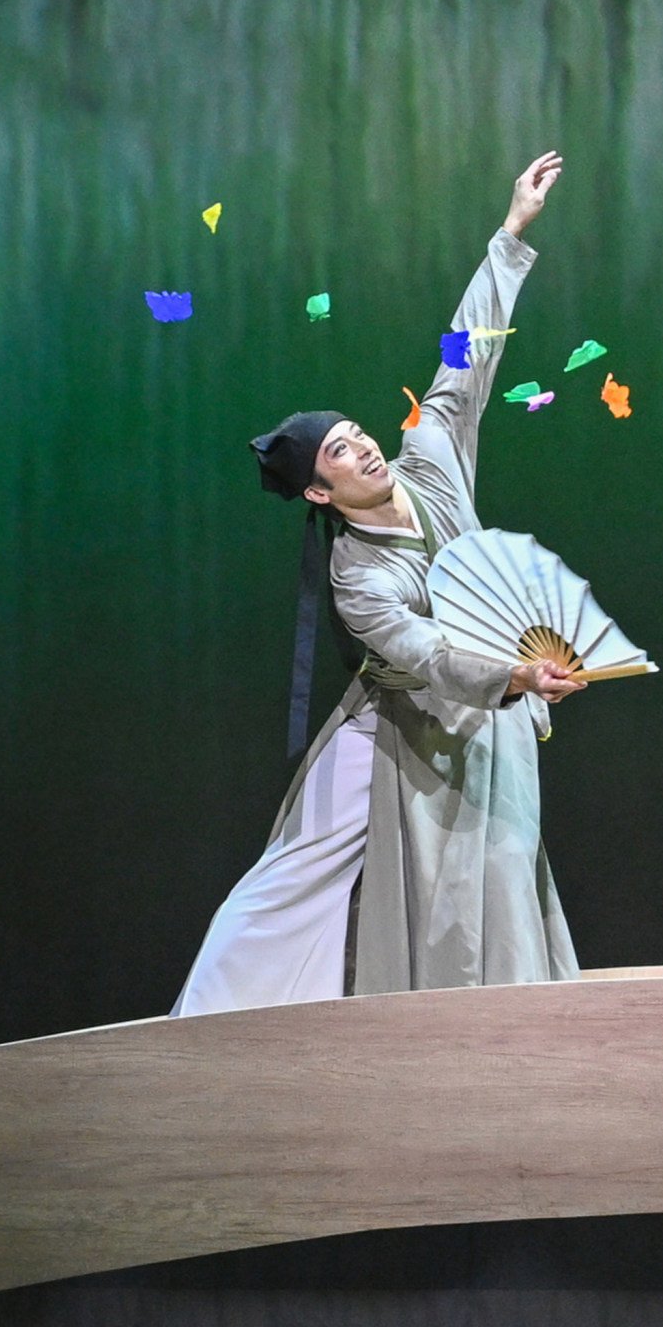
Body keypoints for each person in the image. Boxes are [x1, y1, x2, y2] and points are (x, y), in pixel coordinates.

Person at [172, 152, 586, 1012]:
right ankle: (214, 1015)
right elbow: (423, 652)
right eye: (337, 451)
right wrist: (515, 674)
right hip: (409, 713)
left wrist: (509, 237)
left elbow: (463, 359)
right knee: (305, 858)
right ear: (320, 492)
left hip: (490, 713)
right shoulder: (355, 573)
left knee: (503, 870)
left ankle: (514, 1040)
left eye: (357, 430)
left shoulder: (430, 457)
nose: (360, 444)